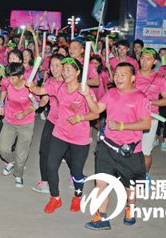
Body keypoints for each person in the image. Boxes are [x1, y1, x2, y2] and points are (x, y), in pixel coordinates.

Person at [83, 63, 152, 230]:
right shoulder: (111, 93)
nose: (118, 77)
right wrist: (87, 96)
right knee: (101, 183)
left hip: (129, 151)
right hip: (107, 146)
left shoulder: (140, 98)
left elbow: (146, 124)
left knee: (130, 186)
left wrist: (122, 126)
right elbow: (97, 109)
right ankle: (102, 217)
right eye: (116, 74)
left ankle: (130, 209)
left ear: (133, 78)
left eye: (123, 74)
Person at [43, 57, 99, 214]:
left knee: (76, 171)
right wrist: (29, 85)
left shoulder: (85, 90)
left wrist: (80, 117)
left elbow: (95, 113)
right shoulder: (60, 86)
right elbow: (41, 91)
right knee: (51, 165)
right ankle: (55, 197)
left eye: (69, 69)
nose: (65, 72)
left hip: (79, 138)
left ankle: (78, 196)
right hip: (60, 133)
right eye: (64, 69)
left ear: (78, 72)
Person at [0, 62, 40, 188]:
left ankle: (18, 174)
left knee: (22, 153)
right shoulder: (7, 82)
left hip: (26, 123)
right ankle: (12, 162)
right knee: (3, 149)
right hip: (9, 120)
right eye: (8, 77)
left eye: (13, 78)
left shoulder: (29, 87)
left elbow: (36, 104)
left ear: (21, 76)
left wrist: (25, 113)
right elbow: (3, 90)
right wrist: (1, 104)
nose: (10, 80)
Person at [28, 54, 64, 193]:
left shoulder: (69, 83)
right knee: (44, 150)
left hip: (67, 123)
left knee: (68, 154)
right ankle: (44, 182)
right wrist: (37, 104)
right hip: (52, 120)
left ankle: (76, 177)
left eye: (57, 65)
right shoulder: (49, 81)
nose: (54, 68)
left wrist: (33, 88)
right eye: (52, 65)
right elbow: (45, 99)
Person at [135, 48, 166, 180]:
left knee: (145, 151)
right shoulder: (132, 75)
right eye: (142, 58)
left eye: (148, 59)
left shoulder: (160, 79)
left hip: (150, 119)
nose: (144, 62)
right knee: (127, 149)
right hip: (130, 118)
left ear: (155, 62)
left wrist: (149, 103)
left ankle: (144, 175)